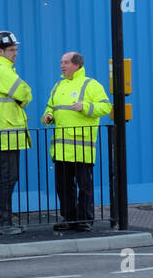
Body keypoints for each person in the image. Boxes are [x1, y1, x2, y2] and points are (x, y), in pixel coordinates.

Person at [42, 51, 112, 232]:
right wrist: (48, 116)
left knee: (84, 186)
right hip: (61, 148)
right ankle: (69, 218)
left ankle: (85, 219)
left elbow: (106, 106)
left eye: (65, 62)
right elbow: (50, 106)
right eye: (61, 62)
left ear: (77, 65)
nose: (62, 66)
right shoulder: (58, 86)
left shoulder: (91, 85)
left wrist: (85, 106)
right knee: (63, 187)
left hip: (82, 148)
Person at [0, 30, 32, 235]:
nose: (15, 53)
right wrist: (25, 95)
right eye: (12, 50)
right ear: (1, 51)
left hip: (7, 134)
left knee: (8, 177)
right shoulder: (3, 71)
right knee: (8, 178)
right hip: (6, 134)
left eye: (16, 49)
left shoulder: (3, 69)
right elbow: (25, 93)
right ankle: (0, 222)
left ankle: (3, 220)